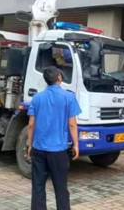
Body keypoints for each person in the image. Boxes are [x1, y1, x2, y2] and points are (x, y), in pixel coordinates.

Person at [27, 66, 81, 210]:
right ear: (59, 78)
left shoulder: (37, 98)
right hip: (58, 151)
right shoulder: (69, 97)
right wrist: (76, 144)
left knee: (38, 187)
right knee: (61, 188)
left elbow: (31, 125)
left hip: (39, 149)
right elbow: (72, 124)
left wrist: (30, 145)